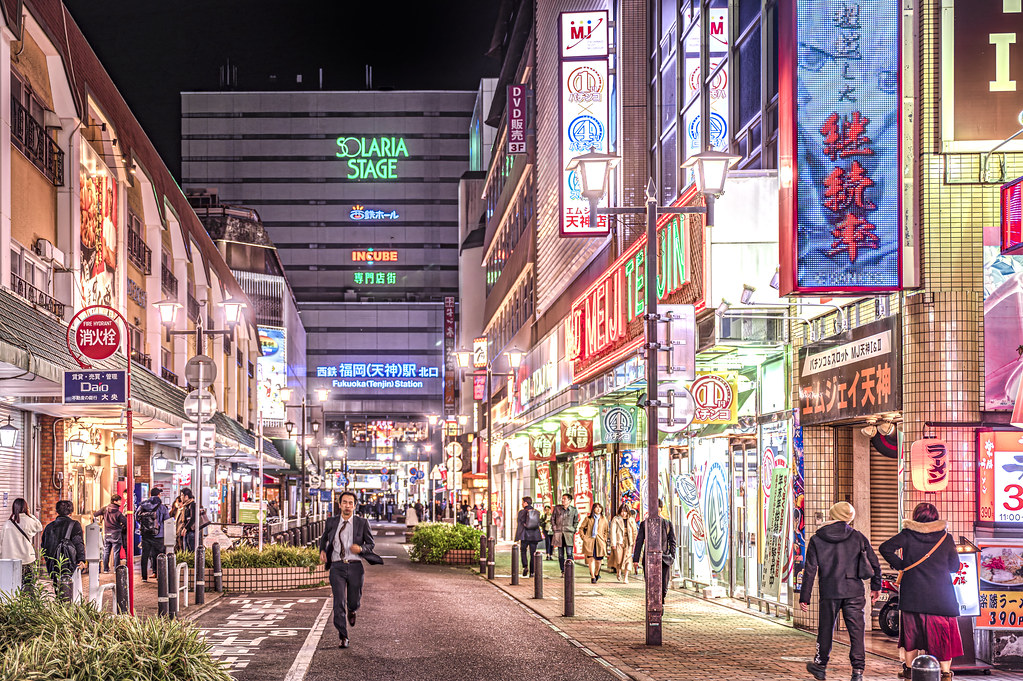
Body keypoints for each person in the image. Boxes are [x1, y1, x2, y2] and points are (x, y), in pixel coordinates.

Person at [798, 501, 881, 681]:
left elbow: (810, 569)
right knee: (856, 632)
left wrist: (805, 596)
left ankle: (820, 665)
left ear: (832, 515)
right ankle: (858, 671)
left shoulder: (817, 538)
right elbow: (875, 563)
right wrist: (876, 587)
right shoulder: (858, 537)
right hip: (854, 591)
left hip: (830, 590)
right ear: (849, 518)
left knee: (826, 628)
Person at [880, 502, 963, 681]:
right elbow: (955, 567)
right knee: (942, 636)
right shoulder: (945, 537)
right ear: (935, 516)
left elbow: (885, 548)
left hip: (913, 595)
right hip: (941, 597)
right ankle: (946, 673)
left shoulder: (908, 535)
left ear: (916, 516)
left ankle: (909, 670)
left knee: (911, 634)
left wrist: (903, 566)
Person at [319, 490, 375, 649]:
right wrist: (322, 551)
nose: (348, 506)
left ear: (355, 506)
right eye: (345, 502)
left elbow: (371, 545)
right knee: (338, 602)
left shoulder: (362, 523)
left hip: (356, 566)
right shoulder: (331, 522)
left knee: (353, 600)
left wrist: (361, 549)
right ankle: (343, 636)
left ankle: (352, 610)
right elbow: (324, 538)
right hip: (337, 566)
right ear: (339, 504)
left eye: (351, 503)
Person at [41, 500, 86, 601]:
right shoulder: (74, 524)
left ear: (57, 512)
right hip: (70, 564)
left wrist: (49, 561)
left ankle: (60, 611)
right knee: (72, 593)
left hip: (54, 564)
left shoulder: (49, 527)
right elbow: (78, 543)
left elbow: (44, 546)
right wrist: (82, 559)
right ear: (71, 512)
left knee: (59, 592)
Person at [633, 500, 677, 601]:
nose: (656, 509)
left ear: (661, 509)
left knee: (664, 586)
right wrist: (636, 559)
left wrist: (672, 556)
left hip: (664, 559)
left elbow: (672, 541)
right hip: (649, 559)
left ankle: (661, 602)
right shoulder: (645, 524)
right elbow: (639, 542)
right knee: (650, 585)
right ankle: (654, 606)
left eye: (658, 507)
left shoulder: (667, 524)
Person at [1, 497, 43, 590]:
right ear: (25, 507)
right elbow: (39, 527)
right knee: (28, 586)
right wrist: (30, 515)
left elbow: (1, 542)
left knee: (11, 586)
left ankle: (14, 603)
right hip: (27, 559)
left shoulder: (7, 524)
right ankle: (29, 603)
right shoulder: (30, 521)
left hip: (10, 561)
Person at [136, 488, 171, 582]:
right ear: (159, 495)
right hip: (159, 535)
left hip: (146, 535)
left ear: (150, 494)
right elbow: (167, 520)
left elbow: (137, 517)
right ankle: (159, 575)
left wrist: (145, 526)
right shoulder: (162, 507)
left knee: (145, 556)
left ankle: (144, 577)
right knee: (159, 555)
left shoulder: (143, 505)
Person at [579, 503, 610, 583]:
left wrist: (604, 539)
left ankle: (596, 573)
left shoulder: (604, 519)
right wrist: (584, 537)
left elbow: (606, 530)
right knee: (591, 559)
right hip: (590, 540)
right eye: (596, 508)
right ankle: (592, 576)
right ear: (593, 509)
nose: (598, 509)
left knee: (598, 560)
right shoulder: (588, 518)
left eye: (600, 507)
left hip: (600, 541)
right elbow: (581, 528)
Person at [551, 493, 579, 575]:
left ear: (569, 501)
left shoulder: (573, 510)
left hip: (568, 533)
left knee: (569, 553)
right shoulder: (557, 508)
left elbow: (576, 521)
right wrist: (555, 528)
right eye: (562, 498)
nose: (562, 500)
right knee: (560, 554)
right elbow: (552, 519)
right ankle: (563, 570)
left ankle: (570, 570)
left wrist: (573, 529)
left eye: (564, 499)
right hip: (559, 533)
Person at [515, 496, 543, 577]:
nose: (522, 504)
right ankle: (532, 572)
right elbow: (538, 523)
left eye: (523, 502)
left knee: (523, 550)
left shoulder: (521, 512)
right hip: (534, 536)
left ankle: (525, 566)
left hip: (525, 535)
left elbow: (519, 522)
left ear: (526, 503)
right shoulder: (537, 512)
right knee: (533, 553)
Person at [98, 494, 126, 573]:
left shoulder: (105, 509)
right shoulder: (118, 513)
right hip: (116, 534)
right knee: (116, 552)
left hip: (107, 533)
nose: (121, 502)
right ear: (115, 501)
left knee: (106, 551)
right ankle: (116, 569)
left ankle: (106, 569)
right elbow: (126, 522)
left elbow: (95, 514)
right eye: (119, 500)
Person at [610, 504, 639, 583]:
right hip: (619, 541)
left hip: (629, 542)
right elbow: (612, 531)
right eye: (622, 511)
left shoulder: (631, 520)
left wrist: (634, 542)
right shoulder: (616, 519)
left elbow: (635, 531)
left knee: (628, 559)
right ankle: (618, 570)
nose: (624, 513)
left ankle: (626, 577)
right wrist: (613, 543)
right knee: (619, 559)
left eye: (625, 512)